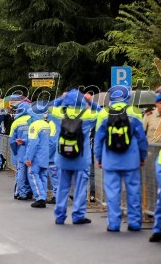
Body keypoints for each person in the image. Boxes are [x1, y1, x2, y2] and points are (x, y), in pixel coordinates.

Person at [94, 85, 148, 232]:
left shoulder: (104, 113)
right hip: (131, 159)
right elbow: (141, 138)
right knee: (133, 191)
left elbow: (99, 140)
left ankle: (114, 224)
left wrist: (99, 158)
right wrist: (142, 156)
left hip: (110, 159)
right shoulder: (134, 112)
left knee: (112, 193)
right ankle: (135, 223)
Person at [49, 90, 99, 224]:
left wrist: (60, 98)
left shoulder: (58, 114)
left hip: (62, 158)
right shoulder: (88, 115)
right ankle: (78, 215)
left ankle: (59, 216)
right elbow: (100, 113)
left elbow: (49, 107)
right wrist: (90, 102)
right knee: (80, 188)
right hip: (81, 159)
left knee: (62, 187)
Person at [25, 108, 51, 208]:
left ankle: (39, 198)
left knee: (32, 175)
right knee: (43, 177)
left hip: (36, 156)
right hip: (45, 155)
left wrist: (28, 158)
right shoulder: (46, 124)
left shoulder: (34, 126)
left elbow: (33, 144)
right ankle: (43, 197)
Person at [9, 102, 32, 200]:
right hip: (32, 151)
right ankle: (29, 192)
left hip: (21, 151)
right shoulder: (33, 120)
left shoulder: (16, 122)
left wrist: (15, 152)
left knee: (21, 173)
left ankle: (21, 193)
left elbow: (11, 140)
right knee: (31, 173)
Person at [44, 112, 58, 204]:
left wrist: (47, 154)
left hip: (54, 156)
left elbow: (52, 142)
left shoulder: (52, 123)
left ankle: (57, 197)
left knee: (55, 176)